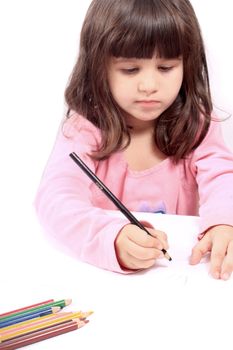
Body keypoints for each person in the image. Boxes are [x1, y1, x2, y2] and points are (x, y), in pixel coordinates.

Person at [35, 0, 233, 280]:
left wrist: (224, 222)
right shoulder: (85, 129)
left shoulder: (197, 121)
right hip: (101, 280)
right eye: (130, 70)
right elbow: (55, 200)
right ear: (97, 68)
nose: (149, 86)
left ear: (186, 64)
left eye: (165, 67)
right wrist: (111, 239)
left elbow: (223, 176)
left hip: (176, 279)